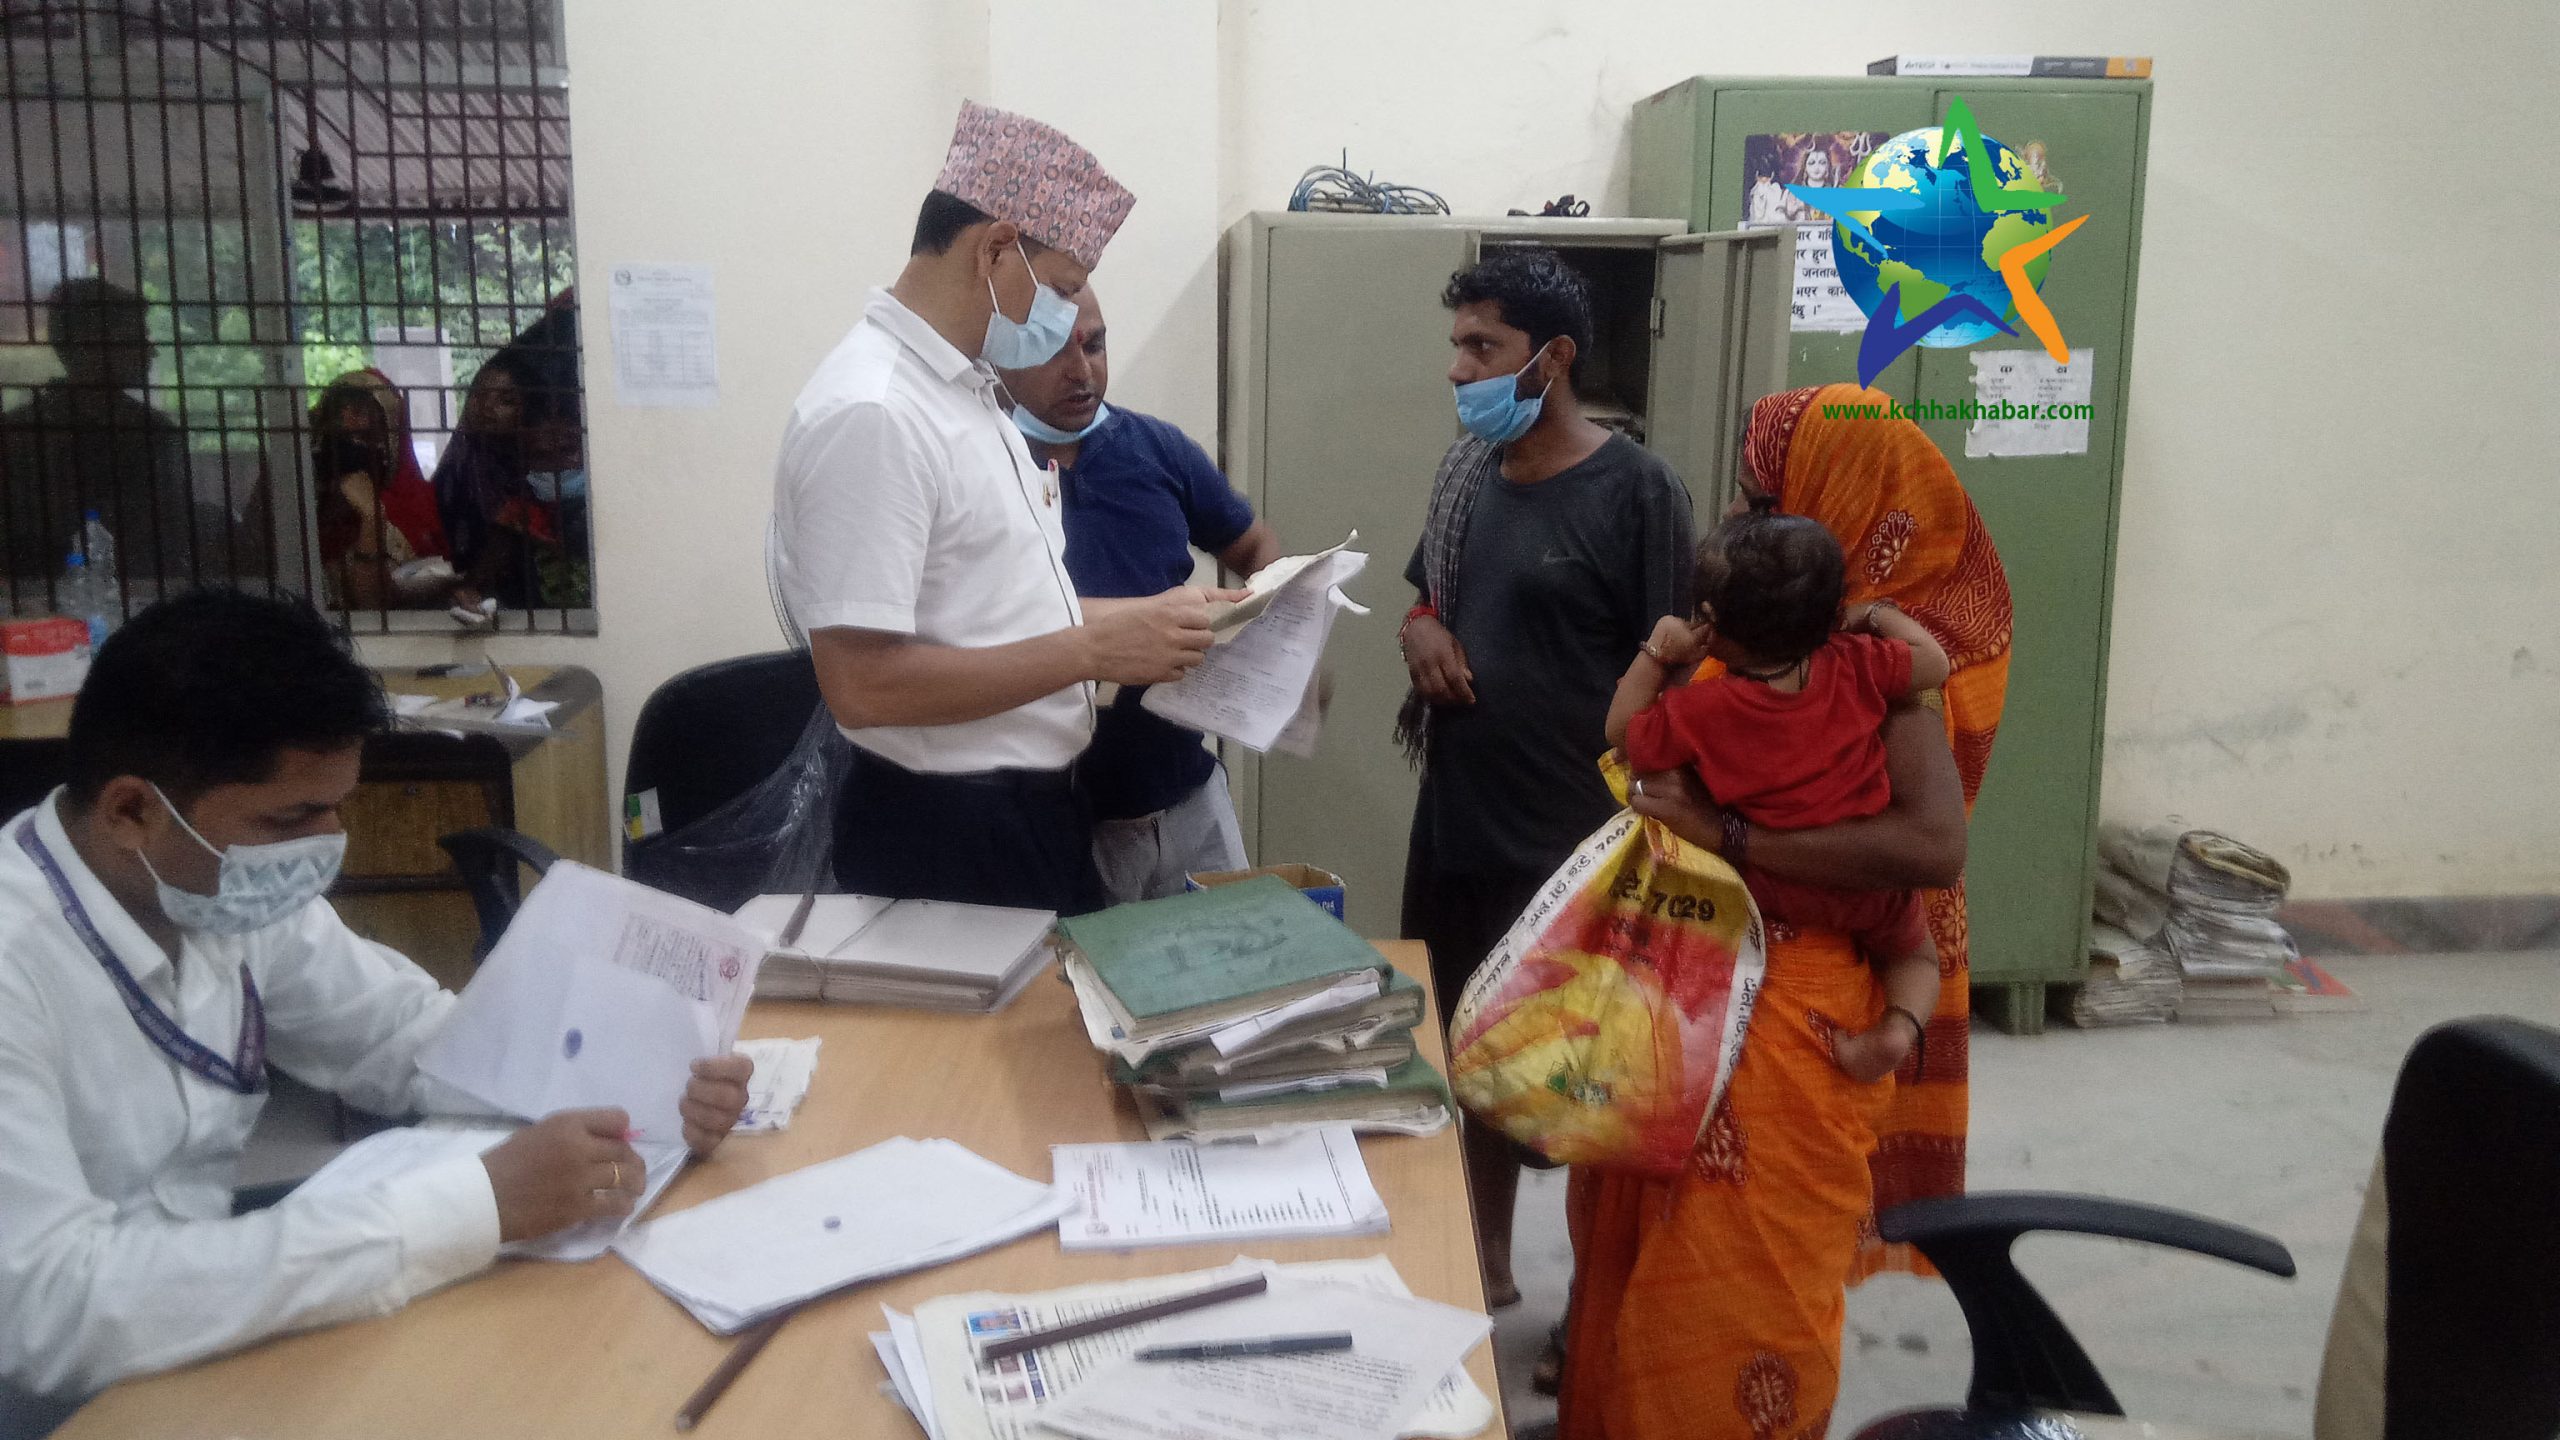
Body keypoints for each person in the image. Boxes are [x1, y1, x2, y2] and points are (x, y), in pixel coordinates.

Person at [0, 589, 755, 1429]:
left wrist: (649, 1085)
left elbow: (406, 1038)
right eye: (292, 816)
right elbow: (50, 1309)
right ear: (132, 811)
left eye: (336, 807)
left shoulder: (214, 889)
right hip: (65, 1394)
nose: (328, 843)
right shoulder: (16, 963)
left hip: (194, 1319)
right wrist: (474, 1206)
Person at [1558, 383, 2012, 1440]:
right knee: (1639, 1268)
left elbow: (1931, 848)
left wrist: (1733, 837)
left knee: (1740, 1296)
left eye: (1759, 495)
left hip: (1793, 992)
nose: (1737, 510)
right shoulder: (1816, 633)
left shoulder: (1880, 665)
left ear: (1839, 496)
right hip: (1684, 972)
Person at [772, 99, 1240, 917]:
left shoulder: (964, 395)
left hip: (1030, 814)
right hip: (948, 834)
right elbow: (863, 684)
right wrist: (1094, 648)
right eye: (1060, 290)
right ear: (995, 250)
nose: (1062, 323)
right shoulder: (877, 411)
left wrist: (1154, 620)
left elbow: (991, 611)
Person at [1395, 246, 1696, 1311]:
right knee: (1470, 1051)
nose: (1459, 369)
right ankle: (1484, 1266)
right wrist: (1420, 630)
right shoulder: (1467, 475)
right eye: (1457, 345)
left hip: (1579, 846)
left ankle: (1596, 1310)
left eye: (1484, 347)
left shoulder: (1638, 491)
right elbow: (1427, 595)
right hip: (1461, 825)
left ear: (1553, 357)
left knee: (1586, 1081)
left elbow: (1680, 675)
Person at [1603, 510, 1950, 1084]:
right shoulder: (1857, 665)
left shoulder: (1702, 712)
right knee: (1916, 956)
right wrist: (1878, 614)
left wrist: (1658, 650)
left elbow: (1620, 732)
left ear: (1711, 623)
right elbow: (1935, 663)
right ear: (1832, 616)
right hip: (1864, 889)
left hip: (1760, 889)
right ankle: (1894, 1032)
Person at [995, 287, 1281, 904]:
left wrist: (1270, 640)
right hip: (1066, 817)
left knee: (1233, 955)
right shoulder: (983, 468)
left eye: (1094, 345)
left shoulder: (1155, 448)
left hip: (1190, 794)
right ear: (1000, 354)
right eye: (1052, 350)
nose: (1081, 370)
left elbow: (1255, 547)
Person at [0, 279, 202, 588]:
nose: (151, 351)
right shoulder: (151, 432)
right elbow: (170, 538)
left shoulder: (18, 430)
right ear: (92, 344)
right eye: (137, 338)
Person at [310, 369, 454, 611]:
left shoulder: (411, 507)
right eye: (337, 413)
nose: (348, 423)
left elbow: (373, 607)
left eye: (362, 413)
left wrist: (372, 517)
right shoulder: (295, 491)